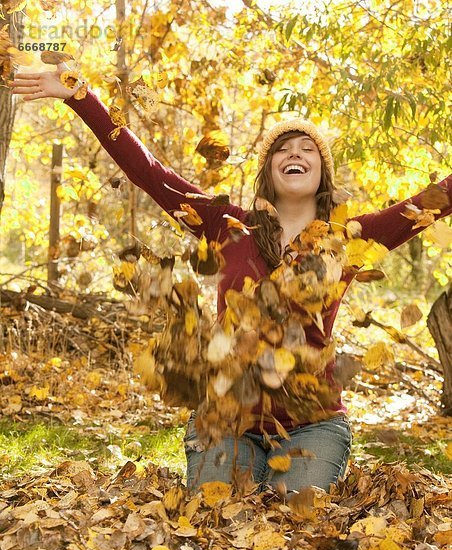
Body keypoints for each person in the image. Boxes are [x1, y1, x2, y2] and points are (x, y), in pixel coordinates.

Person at [7, 65, 452, 495]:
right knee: (217, 518)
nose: (294, 153)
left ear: (322, 174)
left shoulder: (350, 239)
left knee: (297, 526)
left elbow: (431, 202)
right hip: (225, 419)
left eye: (307, 149)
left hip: (313, 424)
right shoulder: (226, 224)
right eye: (283, 148)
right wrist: (81, 96)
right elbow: (148, 173)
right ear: (268, 170)